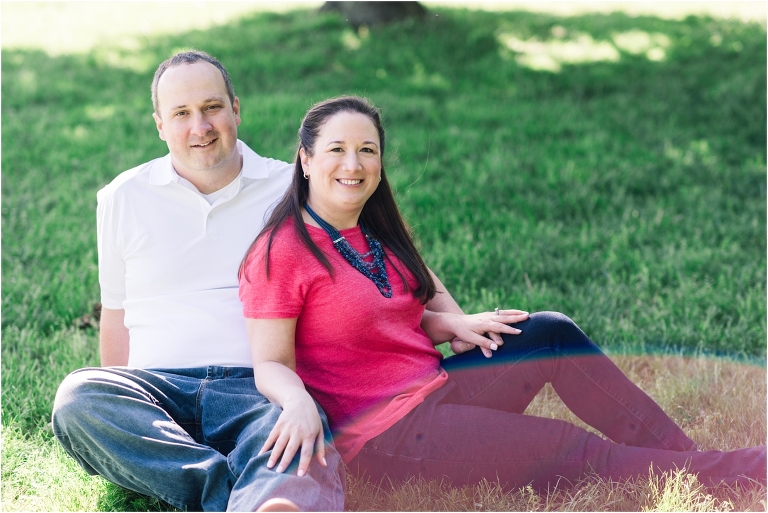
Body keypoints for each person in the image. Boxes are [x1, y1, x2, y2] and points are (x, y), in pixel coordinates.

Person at [238, 95, 766, 493]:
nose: (353, 165)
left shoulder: (371, 230)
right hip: (388, 440)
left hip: (434, 388)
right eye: (336, 150)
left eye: (366, 150)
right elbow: (270, 363)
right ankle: (745, 472)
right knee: (568, 449)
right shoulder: (281, 252)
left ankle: (687, 459)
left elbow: (397, 304)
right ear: (305, 159)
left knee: (551, 332)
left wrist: (451, 321)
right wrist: (298, 401)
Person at [51, 50, 349, 512]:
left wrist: (444, 314)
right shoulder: (122, 197)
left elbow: (374, 254)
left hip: (255, 389)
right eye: (181, 114)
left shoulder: (291, 188)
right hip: (157, 391)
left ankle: (250, 491)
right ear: (160, 125)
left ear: (236, 108)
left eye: (212, 107)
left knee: (297, 432)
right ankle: (235, 492)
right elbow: (116, 312)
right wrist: (129, 406)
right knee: (78, 399)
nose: (200, 126)